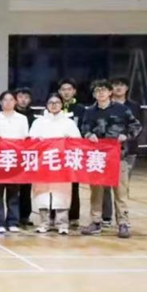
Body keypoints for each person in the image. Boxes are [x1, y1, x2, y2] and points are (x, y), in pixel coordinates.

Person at [80, 79, 142, 239]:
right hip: (97, 157)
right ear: (94, 94)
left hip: (118, 156)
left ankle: (123, 223)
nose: (100, 93)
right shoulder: (89, 111)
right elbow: (84, 128)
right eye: (97, 90)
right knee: (96, 191)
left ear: (109, 92)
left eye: (103, 90)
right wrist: (88, 135)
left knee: (120, 191)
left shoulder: (122, 109)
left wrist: (126, 136)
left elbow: (136, 126)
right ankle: (96, 221)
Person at [28, 94, 81, 235]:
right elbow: (30, 140)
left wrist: (69, 140)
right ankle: (44, 222)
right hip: (43, 163)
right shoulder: (39, 122)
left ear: (62, 104)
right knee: (42, 194)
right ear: (46, 105)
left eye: (57, 102)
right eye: (51, 102)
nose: (54, 105)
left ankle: (62, 223)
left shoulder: (68, 123)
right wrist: (37, 140)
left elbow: (77, 140)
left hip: (61, 164)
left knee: (61, 194)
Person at [0, 91, 29, 234]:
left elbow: (25, 138)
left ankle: (13, 221)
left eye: (11, 100)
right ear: (0, 102)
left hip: (15, 160)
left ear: (15, 102)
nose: (8, 102)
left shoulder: (22, 119)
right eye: (5, 100)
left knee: (14, 193)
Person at [106, 76, 142, 226]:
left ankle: (122, 218)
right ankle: (106, 217)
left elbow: (139, 126)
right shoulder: (105, 104)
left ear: (127, 88)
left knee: (122, 186)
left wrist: (127, 137)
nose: (118, 88)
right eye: (115, 85)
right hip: (107, 151)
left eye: (122, 85)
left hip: (128, 151)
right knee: (105, 185)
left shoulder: (134, 106)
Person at [58, 77, 86, 228]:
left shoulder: (81, 109)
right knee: (56, 185)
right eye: (63, 89)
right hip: (56, 152)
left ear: (74, 91)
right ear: (59, 92)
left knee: (74, 184)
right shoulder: (54, 106)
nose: (66, 92)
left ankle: (74, 216)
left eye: (69, 89)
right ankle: (55, 215)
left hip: (74, 152)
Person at [13, 87, 36, 227]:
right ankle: (12, 216)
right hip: (12, 156)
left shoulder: (34, 117)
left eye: (26, 97)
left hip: (28, 156)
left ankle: (25, 216)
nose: (23, 100)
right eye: (20, 97)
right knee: (12, 188)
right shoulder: (10, 114)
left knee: (26, 188)